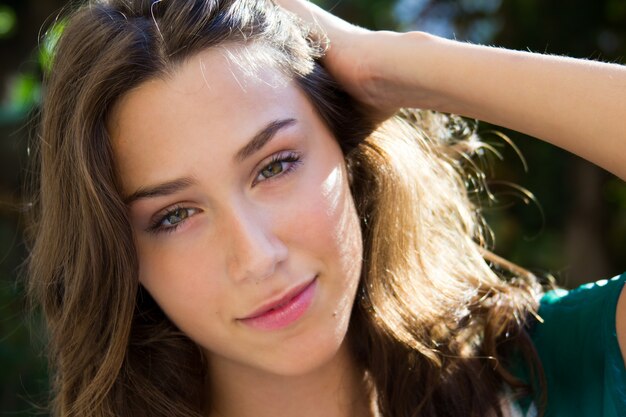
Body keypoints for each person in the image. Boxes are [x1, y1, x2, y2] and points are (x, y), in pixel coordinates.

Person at [25, 0, 626, 416]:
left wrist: (395, 62)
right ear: (120, 254)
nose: (257, 257)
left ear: (347, 152)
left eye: (275, 166)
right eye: (175, 215)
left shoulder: (544, 374)